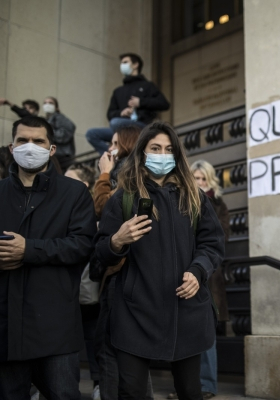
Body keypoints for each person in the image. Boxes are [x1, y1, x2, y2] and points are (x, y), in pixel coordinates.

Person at [94, 121, 225, 399]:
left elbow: (212, 244)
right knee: (131, 391)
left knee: (190, 391)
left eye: (168, 149)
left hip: (186, 311)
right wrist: (117, 240)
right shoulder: (121, 199)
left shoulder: (195, 197)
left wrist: (198, 270)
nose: (162, 154)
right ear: (142, 152)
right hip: (134, 314)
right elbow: (99, 255)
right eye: (155, 148)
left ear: (177, 155)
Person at [0, 116, 97, 399]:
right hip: (5, 328)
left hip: (55, 330)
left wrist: (29, 249)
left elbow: (82, 245)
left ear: (52, 149)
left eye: (38, 141)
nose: (30, 147)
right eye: (22, 140)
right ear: (11, 146)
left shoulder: (74, 193)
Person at [91, 123, 155, 400]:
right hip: (129, 272)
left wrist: (104, 174)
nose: (110, 148)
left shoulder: (129, 176)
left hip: (122, 272)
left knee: (110, 351)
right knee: (132, 356)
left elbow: (103, 208)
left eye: (115, 143)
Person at [187, 160, 231, 400]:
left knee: (206, 333)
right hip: (183, 274)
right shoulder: (180, 201)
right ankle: (187, 385)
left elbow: (220, 237)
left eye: (203, 179)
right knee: (185, 334)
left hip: (208, 277)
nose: (199, 183)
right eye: (195, 178)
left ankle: (206, 385)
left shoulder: (218, 205)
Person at [65, 163, 102, 400]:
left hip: (89, 286)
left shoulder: (94, 209)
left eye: (71, 179)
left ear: (85, 184)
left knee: (94, 336)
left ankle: (99, 383)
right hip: (63, 287)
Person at [86, 53, 170, 155]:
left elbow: (164, 104)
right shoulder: (118, 91)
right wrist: (122, 113)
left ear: (135, 65)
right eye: (121, 63)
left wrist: (141, 102)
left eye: (125, 62)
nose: (122, 65)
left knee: (115, 123)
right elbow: (110, 114)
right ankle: (113, 155)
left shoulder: (148, 86)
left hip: (141, 127)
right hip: (122, 128)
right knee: (92, 134)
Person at [43, 96, 76, 171]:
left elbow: (66, 133)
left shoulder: (59, 117)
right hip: (54, 154)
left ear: (56, 107)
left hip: (62, 155)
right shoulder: (47, 119)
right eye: (45, 103)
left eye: (50, 103)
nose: (47, 105)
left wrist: (47, 132)